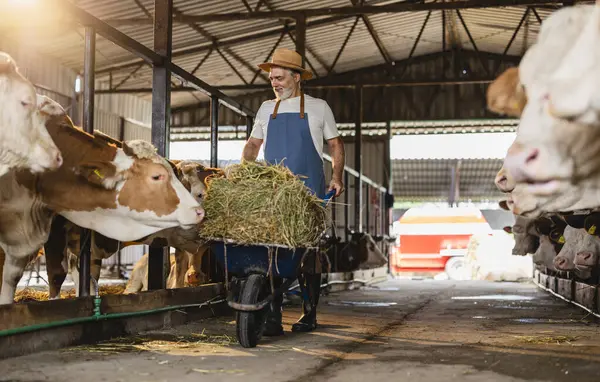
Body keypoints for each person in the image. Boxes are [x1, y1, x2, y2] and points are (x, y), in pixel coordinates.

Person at [242, 48, 345, 334]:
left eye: (279, 78)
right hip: (274, 193)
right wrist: (244, 169)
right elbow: (253, 145)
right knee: (271, 252)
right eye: (271, 79)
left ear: (296, 77)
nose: (274, 83)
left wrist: (336, 177)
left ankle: (309, 314)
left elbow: (335, 144)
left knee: (309, 253)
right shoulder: (265, 108)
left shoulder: (318, 107)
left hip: (309, 193)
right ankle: (273, 317)